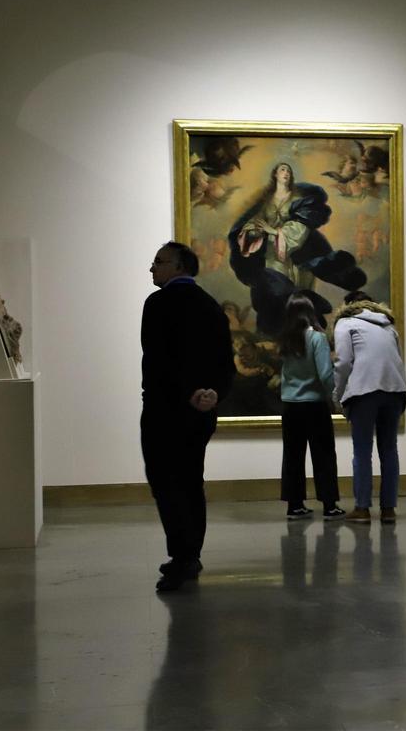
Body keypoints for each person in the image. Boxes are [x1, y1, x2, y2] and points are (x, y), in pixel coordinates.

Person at [142, 242, 235, 592]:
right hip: (201, 411)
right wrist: (212, 394)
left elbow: (159, 360)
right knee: (191, 481)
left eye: (159, 262)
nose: (152, 268)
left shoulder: (158, 303)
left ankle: (182, 556)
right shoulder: (211, 306)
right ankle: (189, 553)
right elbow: (225, 362)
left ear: (179, 266)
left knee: (165, 482)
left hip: (164, 410)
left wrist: (185, 394)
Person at [228, 162, 368, 336]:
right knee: (275, 289)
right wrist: (253, 231)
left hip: (298, 252)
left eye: (288, 170)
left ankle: (303, 334)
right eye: (282, 169)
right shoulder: (266, 201)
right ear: (275, 174)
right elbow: (254, 222)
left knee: (299, 294)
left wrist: (275, 231)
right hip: (272, 254)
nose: (286, 173)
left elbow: (302, 226)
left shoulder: (299, 199)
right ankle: (276, 334)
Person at [333, 290, 406, 524]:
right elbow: (398, 360)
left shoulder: (345, 323)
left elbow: (343, 363)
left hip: (364, 391)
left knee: (362, 451)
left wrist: (338, 395)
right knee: (389, 450)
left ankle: (362, 508)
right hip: (395, 391)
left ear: (347, 305)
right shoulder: (389, 326)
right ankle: (388, 509)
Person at [278, 294, 343, 521]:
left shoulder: (285, 340)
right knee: (323, 454)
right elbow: (325, 374)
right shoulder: (317, 338)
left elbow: (285, 374)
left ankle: (294, 505)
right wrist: (334, 397)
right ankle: (329, 505)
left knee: (292, 455)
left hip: (290, 405)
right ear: (310, 312)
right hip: (314, 405)